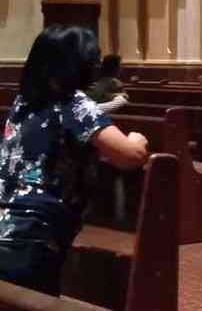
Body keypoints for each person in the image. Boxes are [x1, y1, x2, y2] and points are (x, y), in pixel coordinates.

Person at [0, 26, 149, 296]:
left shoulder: (23, 102)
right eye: (93, 59)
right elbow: (130, 157)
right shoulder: (73, 103)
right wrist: (138, 140)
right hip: (33, 236)